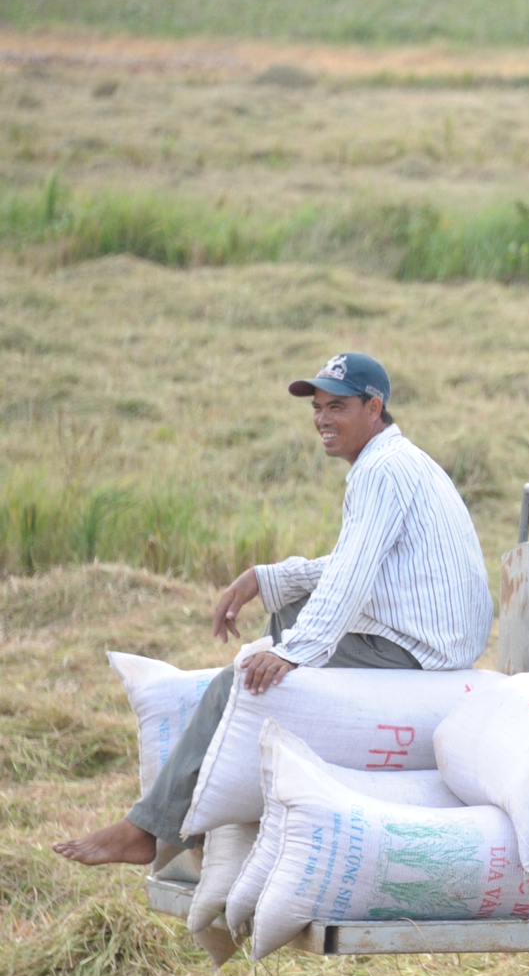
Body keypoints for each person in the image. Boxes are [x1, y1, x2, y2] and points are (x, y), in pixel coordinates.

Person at [54, 353, 493, 867]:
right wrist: (268, 579)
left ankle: (148, 830)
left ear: (375, 407)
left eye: (339, 407)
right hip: (425, 631)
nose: (323, 420)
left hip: (420, 647)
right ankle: (206, 813)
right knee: (286, 617)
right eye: (318, 408)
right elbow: (357, 563)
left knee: (238, 682)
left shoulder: (382, 471)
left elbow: (352, 572)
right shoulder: (395, 462)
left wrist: (296, 652)